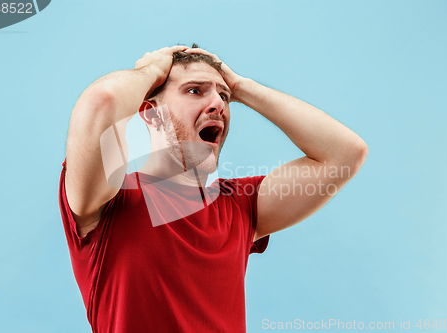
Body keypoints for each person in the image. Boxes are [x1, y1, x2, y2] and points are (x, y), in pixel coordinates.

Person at [59, 44, 368, 332]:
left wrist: (241, 87)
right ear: (151, 115)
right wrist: (151, 71)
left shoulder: (241, 206)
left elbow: (345, 153)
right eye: (195, 91)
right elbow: (103, 100)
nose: (217, 105)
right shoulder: (108, 201)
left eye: (224, 97)